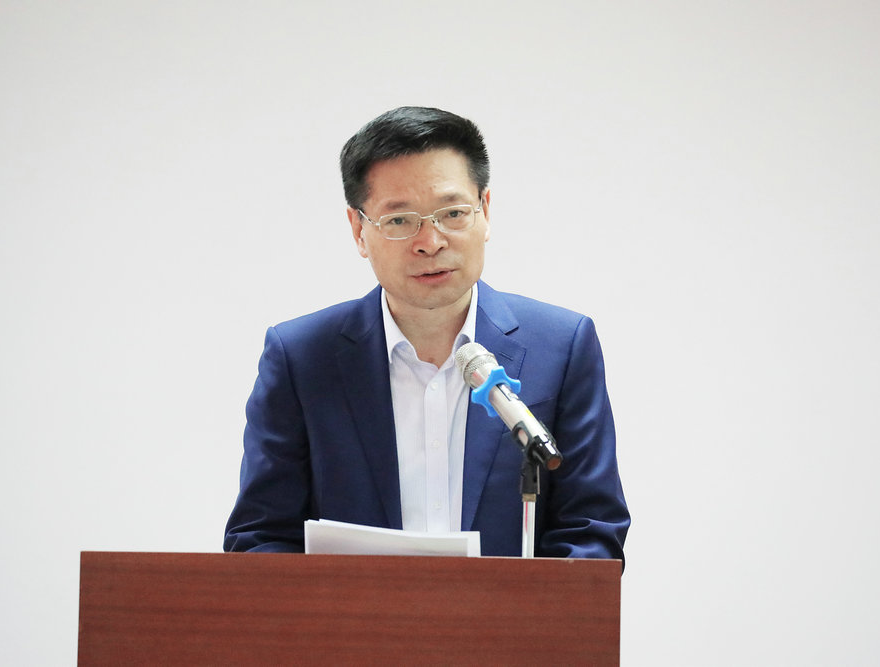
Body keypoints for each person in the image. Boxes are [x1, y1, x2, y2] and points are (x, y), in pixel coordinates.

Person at [224, 106, 629, 559]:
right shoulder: (300, 358)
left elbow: (591, 532)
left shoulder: (562, 346)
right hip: (350, 610)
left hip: (507, 610)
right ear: (359, 230)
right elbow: (260, 538)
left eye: (453, 213)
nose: (431, 242)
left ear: (485, 211)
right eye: (400, 221)